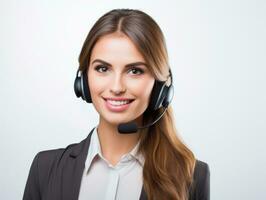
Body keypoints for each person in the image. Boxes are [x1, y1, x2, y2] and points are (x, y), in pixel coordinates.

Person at [23, 8, 210, 200]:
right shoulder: (45, 169)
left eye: (135, 71)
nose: (117, 87)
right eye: (103, 68)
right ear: (83, 81)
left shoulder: (192, 177)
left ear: (161, 86)